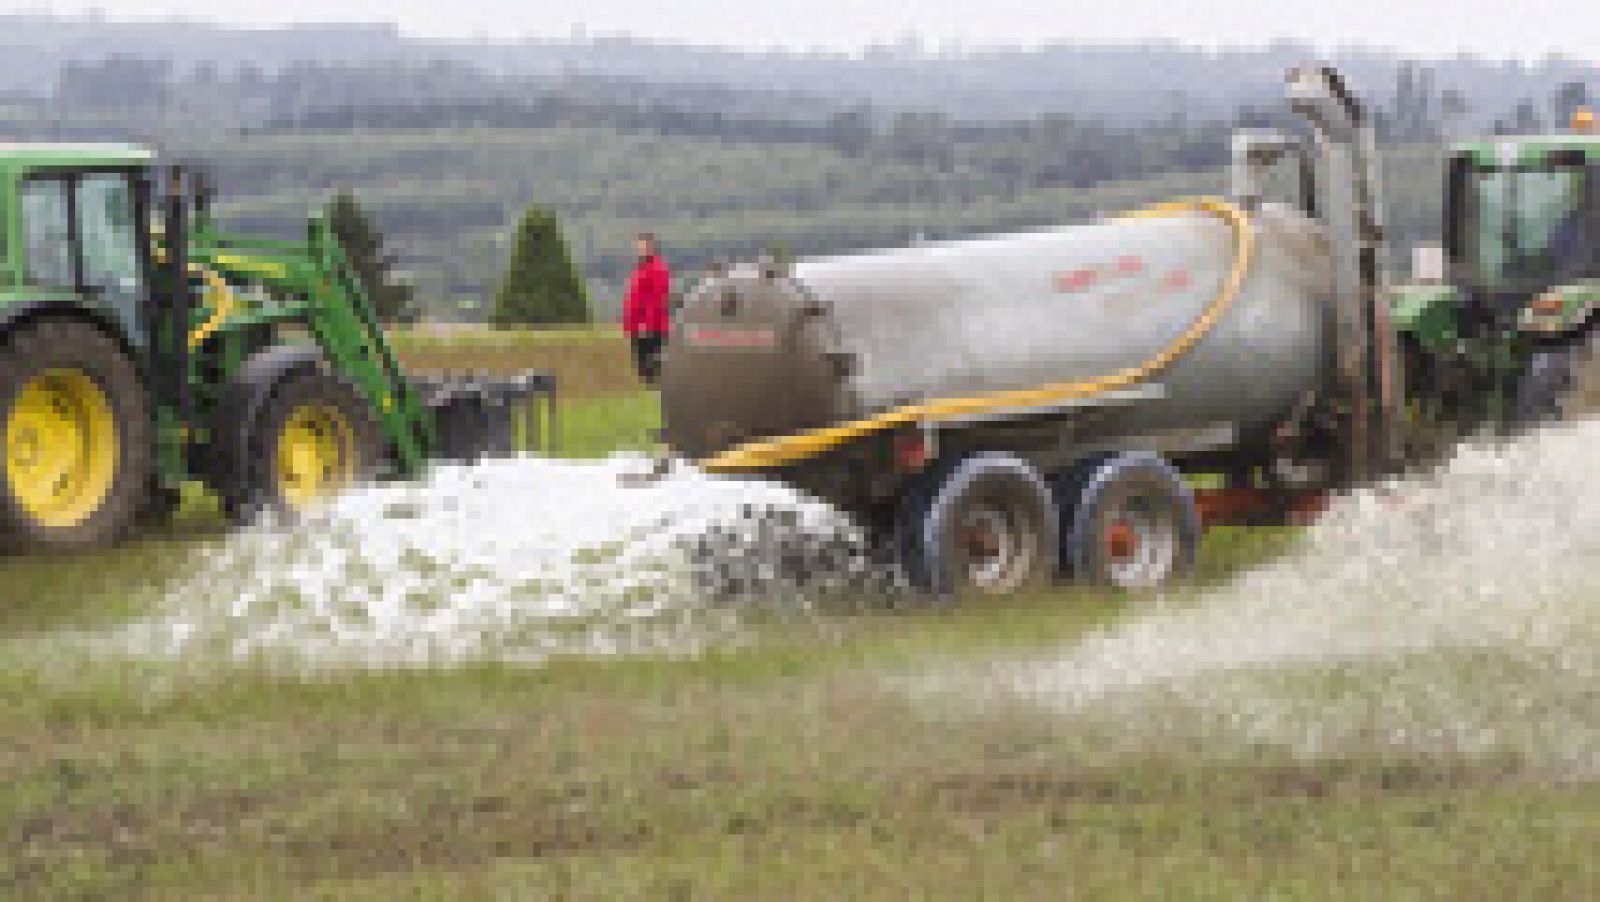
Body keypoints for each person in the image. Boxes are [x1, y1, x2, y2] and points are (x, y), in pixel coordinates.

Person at [623, 232, 672, 384]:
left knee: (651, 364)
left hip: (651, 326)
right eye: (640, 247)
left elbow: (657, 298)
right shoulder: (640, 268)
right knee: (641, 363)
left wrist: (646, 323)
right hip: (638, 326)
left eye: (645, 246)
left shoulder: (657, 268)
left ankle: (655, 389)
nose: (642, 250)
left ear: (653, 247)